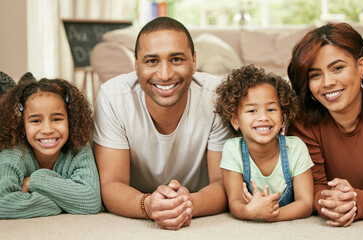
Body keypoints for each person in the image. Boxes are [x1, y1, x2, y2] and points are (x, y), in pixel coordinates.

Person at [93, 17, 231, 230]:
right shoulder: (113, 97)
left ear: (194, 61)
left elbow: (223, 184)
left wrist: (187, 204)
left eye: (176, 59)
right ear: (136, 64)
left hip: (195, 197)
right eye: (151, 61)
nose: (165, 75)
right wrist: (148, 205)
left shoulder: (217, 96)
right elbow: (111, 185)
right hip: (141, 199)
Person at [287, 22, 363, 227]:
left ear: (361, 68)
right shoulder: (302, 120)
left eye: (337, 68)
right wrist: (330, 203)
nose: (327, 82)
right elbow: (311, 187)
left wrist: (358, 201)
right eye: (315, 75)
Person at [214, 64, 313, 221]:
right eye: (252, 111)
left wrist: (271, 215)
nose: (263, 117)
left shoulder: (295, 148)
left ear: (283, 116)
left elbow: (305, 203)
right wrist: (249, 212)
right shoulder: (233, 150)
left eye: (271, 109)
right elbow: (235, 202)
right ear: (235, 120)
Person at [0, 77, 101, 219]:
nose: (47, 129)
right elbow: (3, 204)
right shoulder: (14, 153)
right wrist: (64, 201)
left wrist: (33, 181)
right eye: (36, 121)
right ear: (22, 125)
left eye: (57, 119)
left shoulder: (78, 147)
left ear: (70, 120)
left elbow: (90, 200)